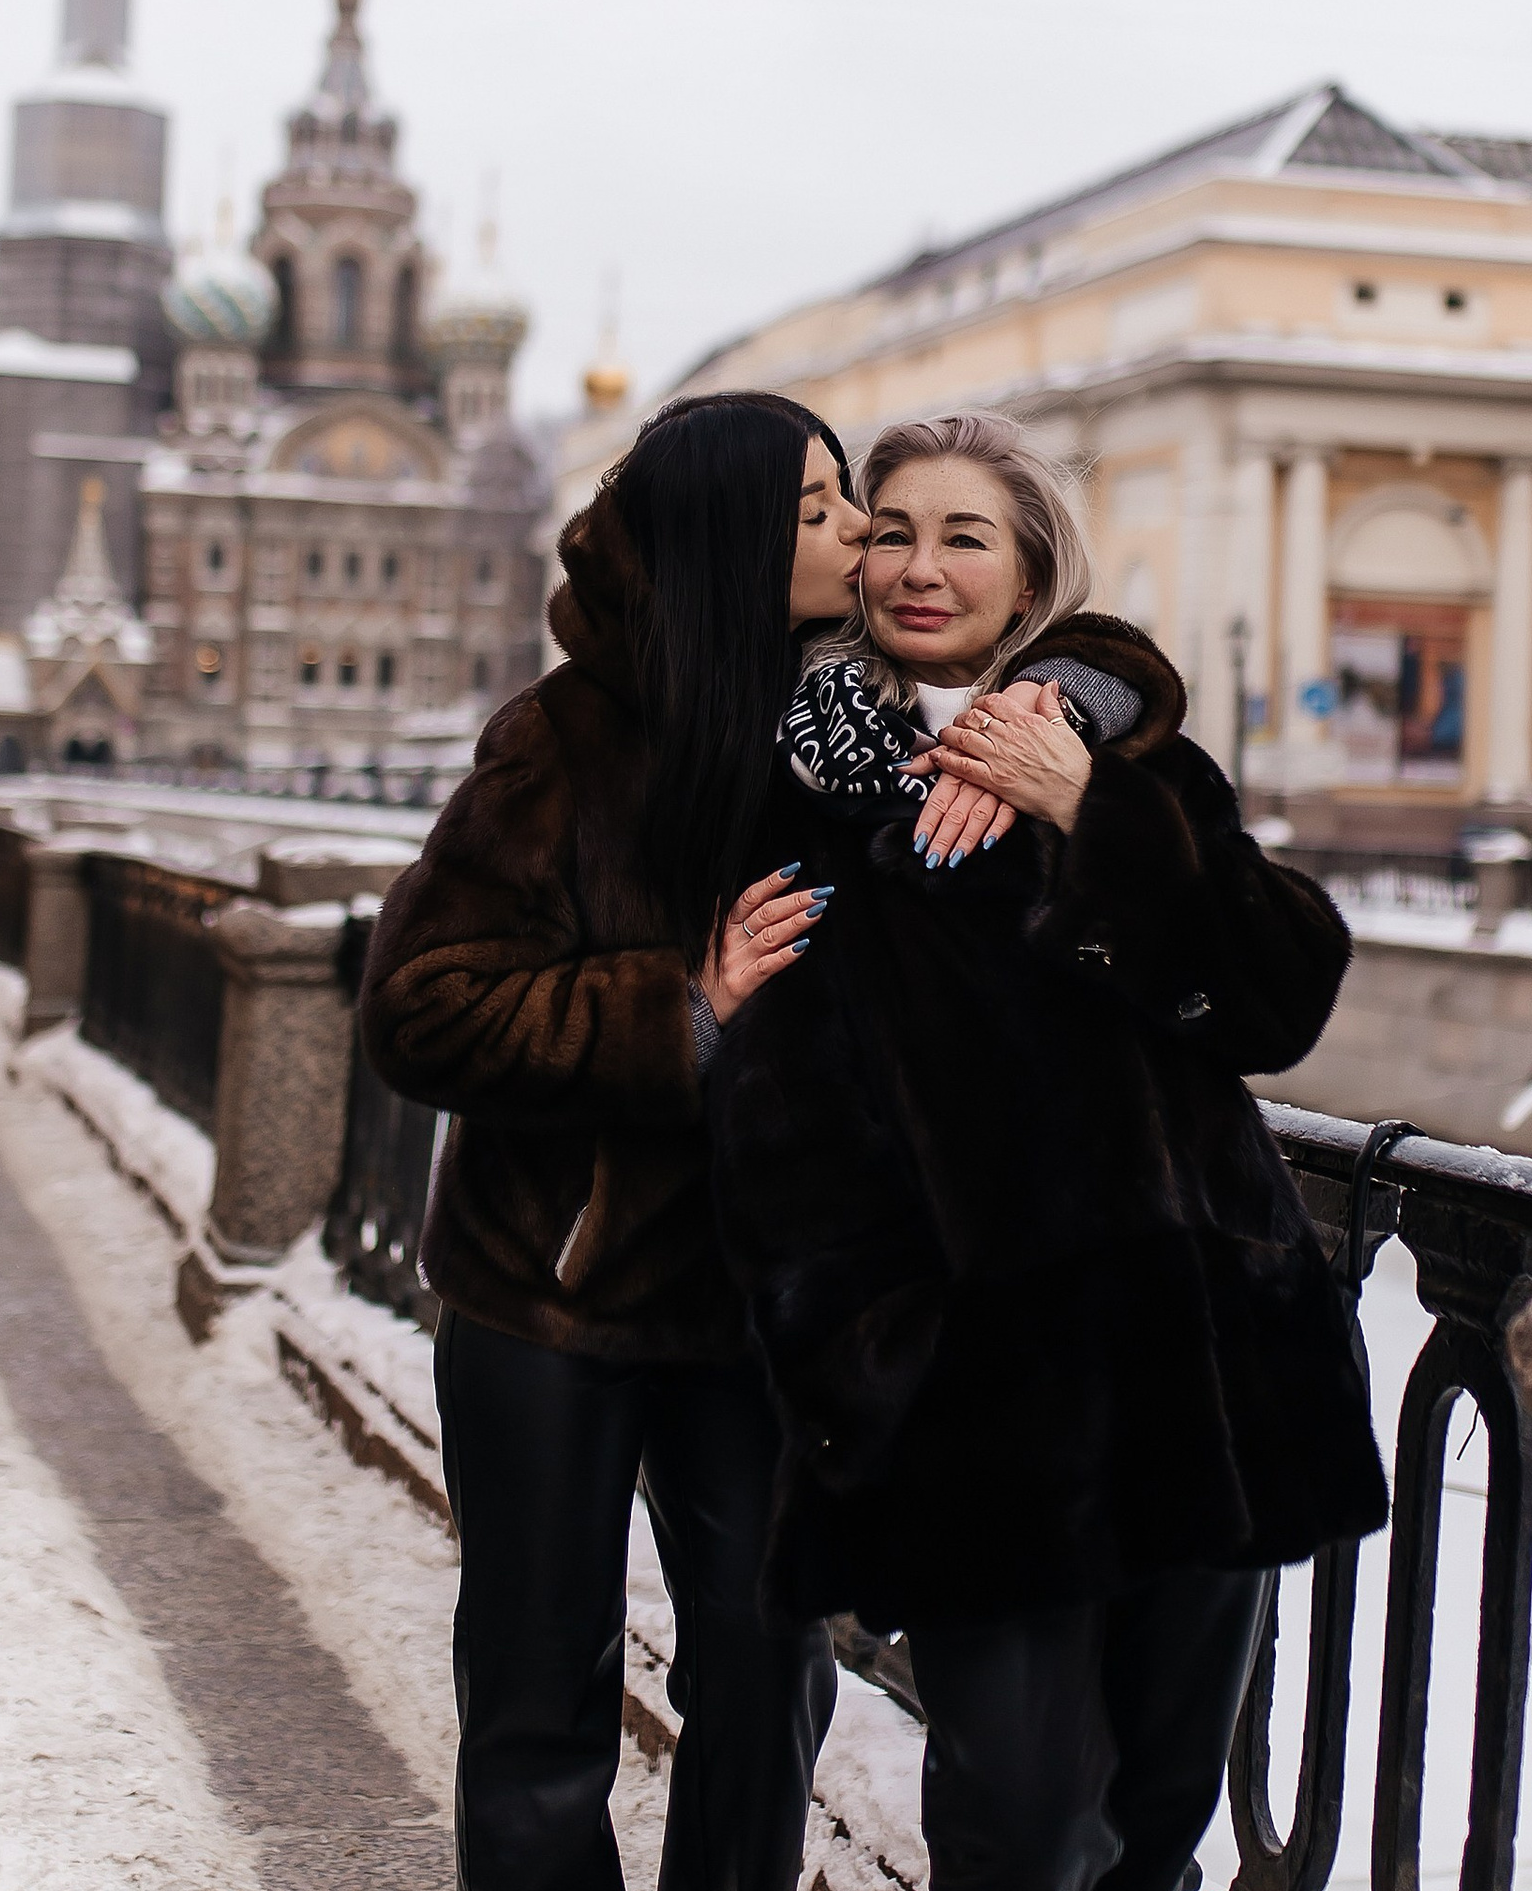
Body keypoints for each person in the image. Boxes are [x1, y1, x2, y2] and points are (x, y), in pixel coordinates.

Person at [707, 410, 1387, 1891]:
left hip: (1196, 1373)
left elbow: (1279, 998)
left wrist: (1092, 812)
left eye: (966, 537)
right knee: (1014, 1827)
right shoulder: (799, 789)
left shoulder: (1130, 763)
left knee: (1157, 1829)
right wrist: (878, 1363)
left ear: (1030, 587)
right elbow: (776, 1125)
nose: (918, 566)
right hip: (979, 1412)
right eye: (890, 530)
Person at [359, 390, 863, 1890]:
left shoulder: (848, 738)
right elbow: (419, 1009)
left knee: (771, 1682)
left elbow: (1055, 653)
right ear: (728, 535)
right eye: (822, 506)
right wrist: (678, 1011)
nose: (860, 535)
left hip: (758, 1309)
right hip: (554, 1298)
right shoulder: (562, 745)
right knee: (537, 1700)